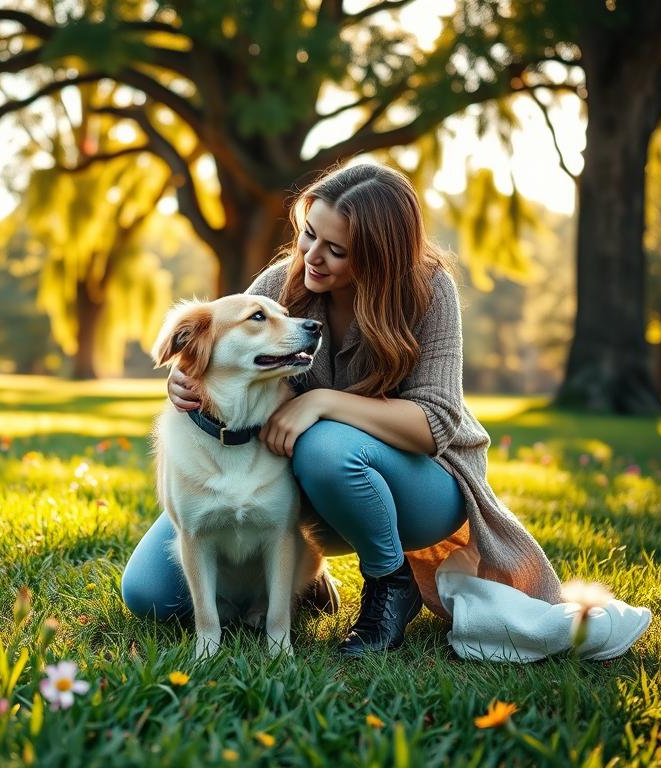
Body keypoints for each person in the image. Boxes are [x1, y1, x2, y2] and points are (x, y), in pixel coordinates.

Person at [121, 161, 562, 657]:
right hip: (299, 495)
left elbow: (436, 423)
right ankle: (304, 585)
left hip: (420, 485)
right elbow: (218, 345)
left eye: (337, 250)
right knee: (149, 593)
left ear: (380, 258)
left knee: (323, 445)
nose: (312, 257)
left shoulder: (429, 291)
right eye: (309, 234)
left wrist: (323, 400)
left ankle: (389, 585)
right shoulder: (280, 286)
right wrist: (185, 378)